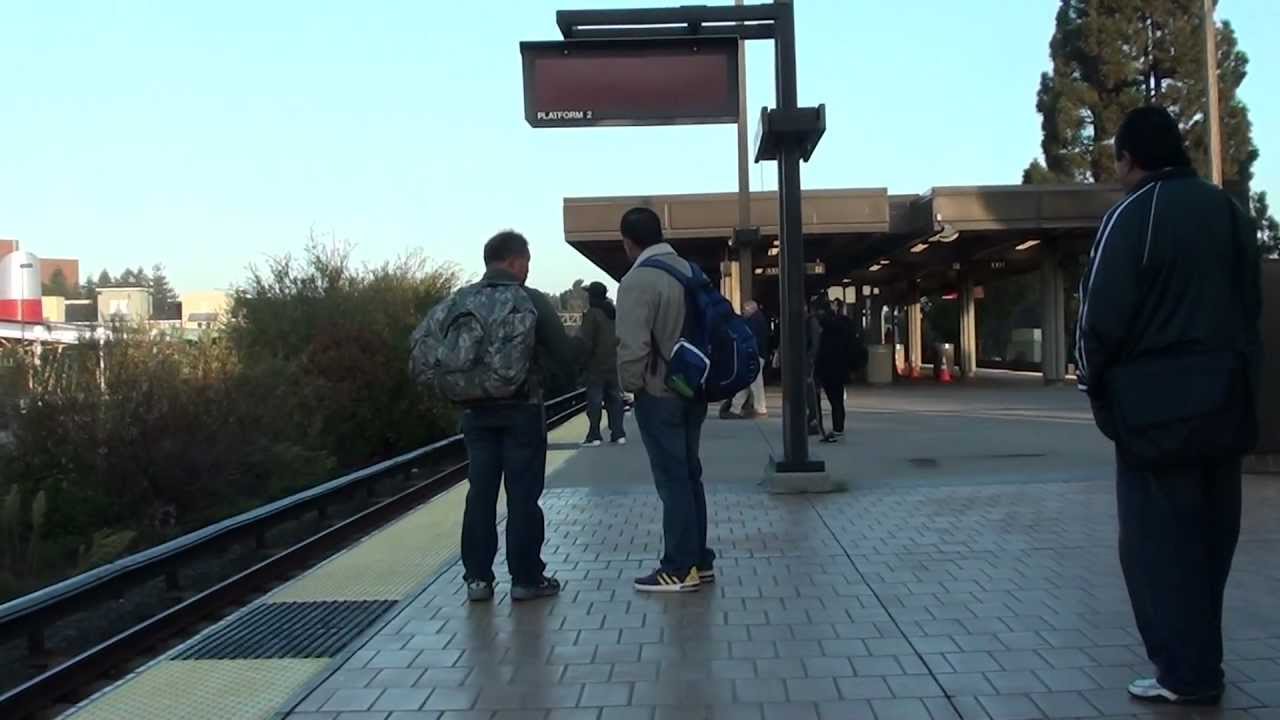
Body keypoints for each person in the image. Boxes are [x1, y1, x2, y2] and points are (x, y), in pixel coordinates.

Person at [1076, 106, 1262, 705]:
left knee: (1157, 546)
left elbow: (1098, 319)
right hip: (1225, 405)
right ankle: (1204, 660)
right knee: (1212, 539)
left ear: (1130, 159)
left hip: (1153, 415)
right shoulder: (1228, 212)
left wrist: (1097, 390)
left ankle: (1184, 672)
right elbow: (1251, 305)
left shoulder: (1131, 216)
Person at [459, 231, 574, 603]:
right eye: (527, 262)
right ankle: (525, 579)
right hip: (522, 410)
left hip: (476, 412)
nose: (528, 269)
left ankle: (478, 579)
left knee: (480, 494)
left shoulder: (463, 300)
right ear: (514, 261)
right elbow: (564, 356)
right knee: (523, 497)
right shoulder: (531, 300)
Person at [616, 206, 714, 593]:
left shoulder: (638, 280)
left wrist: (631, 386)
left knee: (672, 480)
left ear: (627, 240)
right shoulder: (691, 271)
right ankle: (699, 561)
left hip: (659, 391)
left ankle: (678, 566)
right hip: (695, 387)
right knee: (690, 474)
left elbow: (632, 345)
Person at [579, 281, 627, 447]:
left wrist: (580, 363)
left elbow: (585, 342)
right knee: (615, 399)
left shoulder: (592, 314)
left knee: (595, 400)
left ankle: (594, 435)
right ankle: (618, 433)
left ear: (592, 296)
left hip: (596, 365)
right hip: (614, 364)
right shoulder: (614, 314)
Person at [718, 300, 770, 419]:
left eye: (744, 310)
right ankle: (735, 408)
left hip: (755, 355)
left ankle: (760, 409)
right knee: (748, 382)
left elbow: (749, 337)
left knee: (755, 383)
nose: (743, 312)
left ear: (750, 309)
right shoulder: (757, 320)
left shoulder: (754, 321)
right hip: (757, 354)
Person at [815, 300, 851, 437]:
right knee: (838, 399)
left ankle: (836, 425)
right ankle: (838, 426)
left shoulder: (828, 326)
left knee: (832, 397)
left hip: (828, 366)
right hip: (840, 366)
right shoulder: (845, 324)